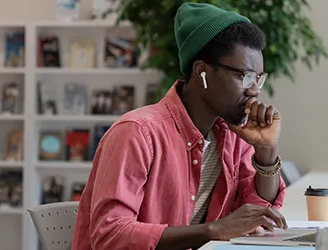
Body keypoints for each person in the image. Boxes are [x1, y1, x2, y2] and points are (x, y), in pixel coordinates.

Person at [72, 2, 288, 250]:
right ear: (201, 72)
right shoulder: (137, 133)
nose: (254, 90)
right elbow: (111, 235)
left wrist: (266, 153)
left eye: (258, 79)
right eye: (245, 76)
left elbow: (256, 219)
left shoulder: (234, 135)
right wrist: (212, 231)